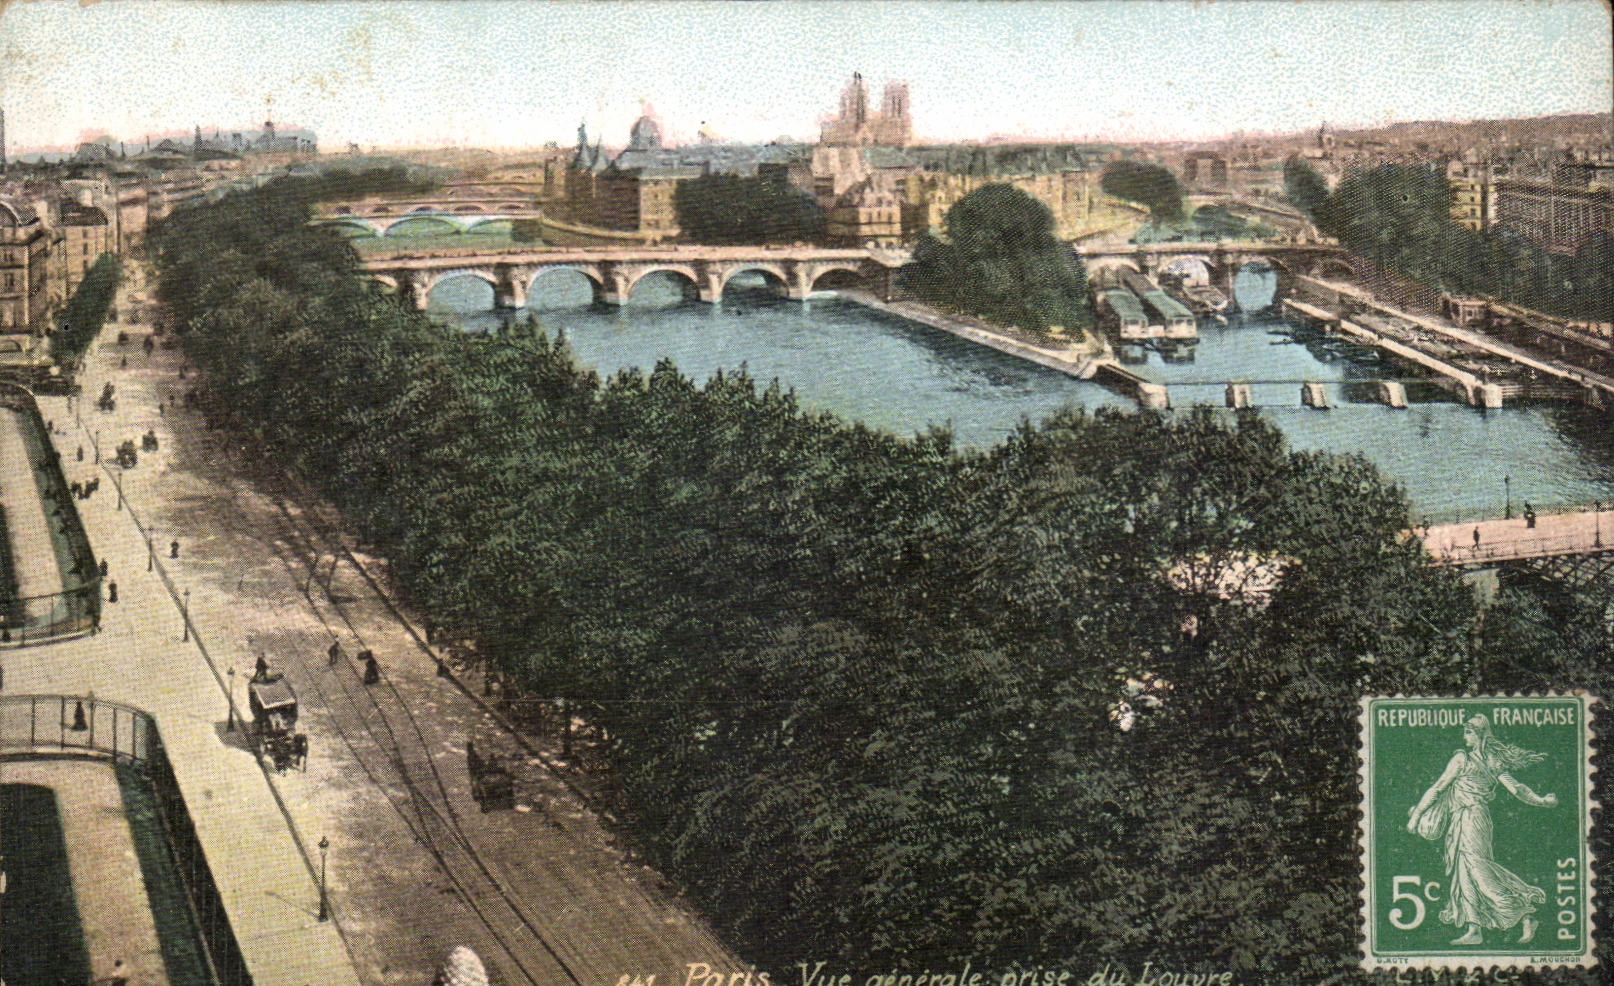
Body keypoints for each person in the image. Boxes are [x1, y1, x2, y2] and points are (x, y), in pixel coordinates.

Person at [1407, 715, 1556, 946]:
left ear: (1479, 734)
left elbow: (1438, 788)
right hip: (1462, 819)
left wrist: (1416, 816)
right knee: (1463, 873)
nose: (1464, 736)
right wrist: (1542, 800)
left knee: (1478, 870)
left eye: (1468, 732)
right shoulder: (1485, 760)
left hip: (1473, 819)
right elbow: (1517, 789)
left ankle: (1526, 914)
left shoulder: (1464, 759)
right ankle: (1474, 928)